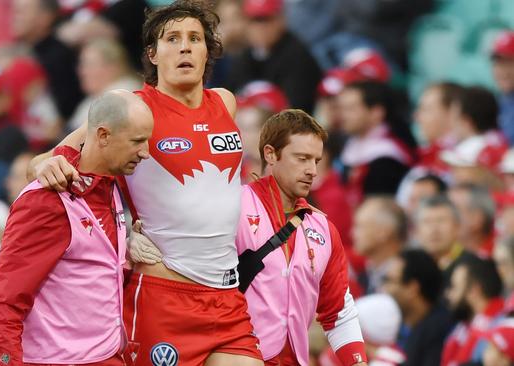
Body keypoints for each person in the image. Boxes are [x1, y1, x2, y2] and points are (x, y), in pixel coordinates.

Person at [30, 1, 264, 365]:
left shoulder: (225, 103)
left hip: (227, 296)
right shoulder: (135, 108)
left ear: (207, 51)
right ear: (153, 54)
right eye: (172, 39)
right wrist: (122, 230)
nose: (184, 46)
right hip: (163, 296)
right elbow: (44, 162)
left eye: (194, 38)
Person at [0, 90, 153, 366]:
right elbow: (5, 298)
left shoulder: (110, 184)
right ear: (102, 136)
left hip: (106, 355)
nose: (145, 152)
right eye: (137, 141)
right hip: (58, 360)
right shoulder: (47, 199)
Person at [234, 109, 367, 365]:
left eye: (316, 160)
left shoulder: (324, 228)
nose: (312, 171)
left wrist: (358, 362)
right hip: (238, 357)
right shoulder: (233, 206)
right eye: (302, 158)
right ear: (270, 154)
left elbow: (338, 311)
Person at [381, 249, 452, 366]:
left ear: (412, 288)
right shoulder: (403, 327)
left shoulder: (438, 331)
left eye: (389, 281)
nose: (383, 289)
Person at [442, 256, 504, 366]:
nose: (449, 294)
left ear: (474, 290)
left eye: (455, 287)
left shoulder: (499, 326)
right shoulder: (466, 325)